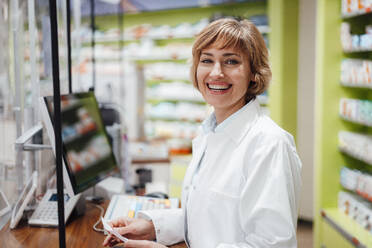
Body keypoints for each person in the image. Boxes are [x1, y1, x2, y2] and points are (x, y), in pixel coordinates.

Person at [103, 17, 302, 248]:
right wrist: (153, 227)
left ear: (254, 73)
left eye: (231, 61)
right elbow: (209, 217)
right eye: (207, 60)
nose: (216, 73)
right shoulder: (210, 132)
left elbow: (272, 245)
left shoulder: (268, 144)